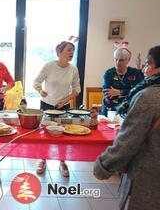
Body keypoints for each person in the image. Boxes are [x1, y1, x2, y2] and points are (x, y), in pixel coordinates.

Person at [93, 45, 160, 210]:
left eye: (147, 64)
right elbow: (108, 94)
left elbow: (129, 139)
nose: (144, 69)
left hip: (150, 176)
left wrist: (103, 166)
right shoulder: (110, 73)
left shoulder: (148, 96)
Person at [33, 40, 81, 176]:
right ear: (59, 53)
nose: (72, 53)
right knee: (44, 133)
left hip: (63, 106)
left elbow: (77, 89)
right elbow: (36, 82)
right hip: (46, 104)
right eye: (68, 50)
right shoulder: (49, 66)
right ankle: (43, 159)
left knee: (63, 134)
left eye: (73, 50)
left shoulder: (73, 69)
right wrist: (40, 90)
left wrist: (65, 100)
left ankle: (62, 161)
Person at [101, 43, 144, 116]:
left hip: (128, 110)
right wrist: (128, 92)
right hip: (109, 110)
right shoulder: (108, 73)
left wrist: (120, 92)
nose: (117, 63)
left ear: (128, 60)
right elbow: (108, 94)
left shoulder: (135, 73)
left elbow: (138, 92)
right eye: (116, 59)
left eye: (121, 60)